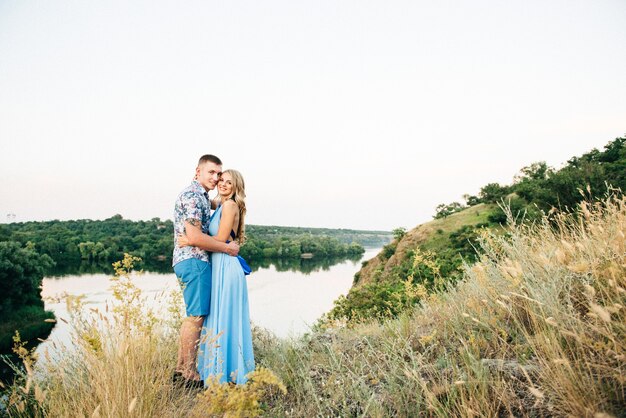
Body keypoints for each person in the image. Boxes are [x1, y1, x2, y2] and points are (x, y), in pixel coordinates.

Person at [178, 169, 255, 385]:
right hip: (219, 265)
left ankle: (227, 374)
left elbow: (221, 238)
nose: (222, 184)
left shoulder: (229, 205)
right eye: (221, 180)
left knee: (225, 318)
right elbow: (200, 199)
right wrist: (199, 182)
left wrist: (192, 240)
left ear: (236, 186)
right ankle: (219, 372)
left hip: (226, 267)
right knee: (219, 317)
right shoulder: (221, 204)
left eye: (229, 182)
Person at [172, 155, 240, 388]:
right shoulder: (193, 196)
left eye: (218, 174)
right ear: (197, 172)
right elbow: (194, 237)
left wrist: (226, 200)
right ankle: (189, 375)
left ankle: (181, 369)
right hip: (194, 261)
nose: (215, 178)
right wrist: (228, 247)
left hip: (191, 260)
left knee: (193, 315)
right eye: (211, 173)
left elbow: (220, 204)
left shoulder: (201, 196)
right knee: (196, 317)